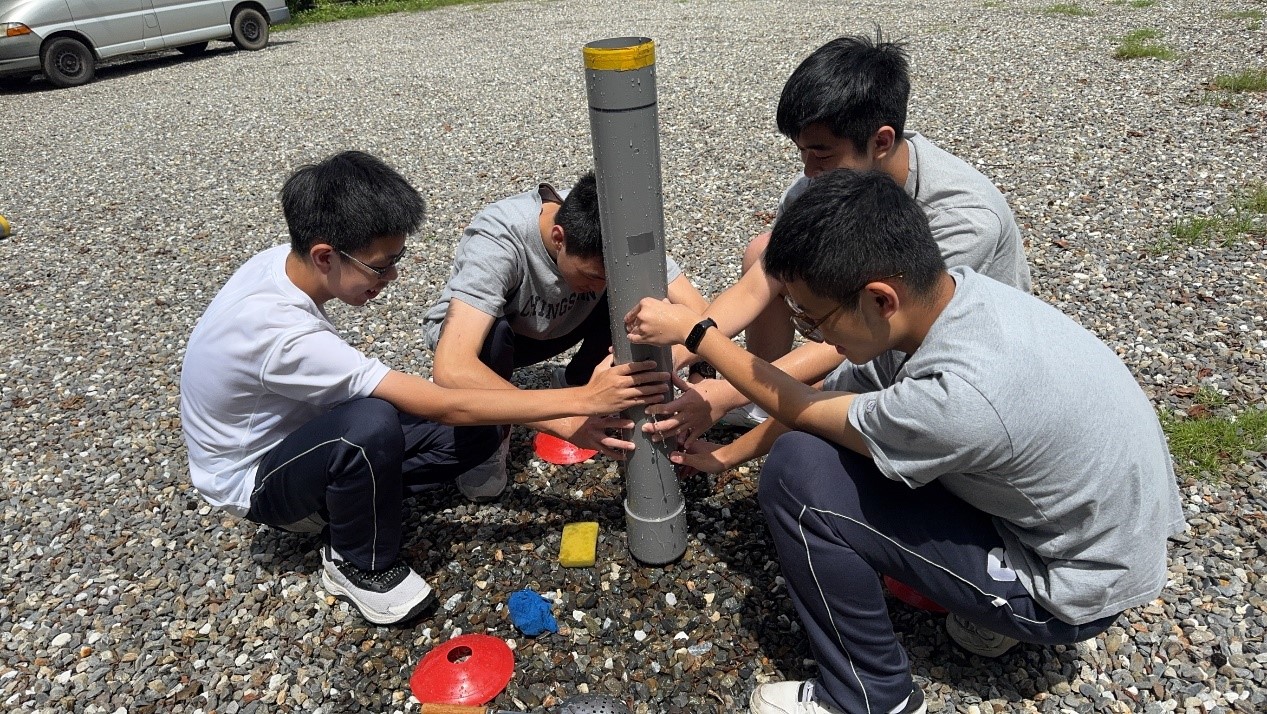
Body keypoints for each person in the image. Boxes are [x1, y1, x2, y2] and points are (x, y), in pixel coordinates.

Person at [624, 169, 1183, 714]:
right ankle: (979, 609)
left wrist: (698, 336)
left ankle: (871, 694)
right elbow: (824, 406)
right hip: (1090, 532)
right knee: (825, 447)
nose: (816, 335)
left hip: (1069, 588)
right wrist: (726, 456)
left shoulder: (958, 396)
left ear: (879, 299)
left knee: (799, 479)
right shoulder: (955, 298)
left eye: (814, 320)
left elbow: (803, 412)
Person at [180, 151, 667, 626]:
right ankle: (356, 560)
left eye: (396, 259)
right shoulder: (280, 335)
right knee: (367, 425)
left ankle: (353, 496)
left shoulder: (284, 264)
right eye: (380, 266)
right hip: (257, 479)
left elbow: (453, 408)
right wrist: (580, 403)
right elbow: (444, 402)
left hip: (303, 436)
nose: (392, 277)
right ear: (325, 256)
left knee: (480, 431)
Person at [648, 32, 1031, 444]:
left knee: (809, 441)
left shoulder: (962, 217)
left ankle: (777, 403)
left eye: (822, 153)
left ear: (881, 141)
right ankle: (768, 407)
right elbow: (759, 284)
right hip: (863, 321)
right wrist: (682, 348)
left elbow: (883, 329)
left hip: (950, 358)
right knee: (765, 251)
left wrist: (730, 392)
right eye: (801, 151)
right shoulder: (825, 182)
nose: (808, 170)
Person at [422, 171, 707, 492]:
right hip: (496, 336)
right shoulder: (499, 239)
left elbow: (702, 316)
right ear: (559, 238)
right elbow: (452, 369)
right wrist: (567, 420)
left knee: (629, 297)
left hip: (562, 326)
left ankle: (578, 381)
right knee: (492, 338)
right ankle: (490, 435)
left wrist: (695, 390)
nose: (598, 286)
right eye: (591, 275)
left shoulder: (616, 227)